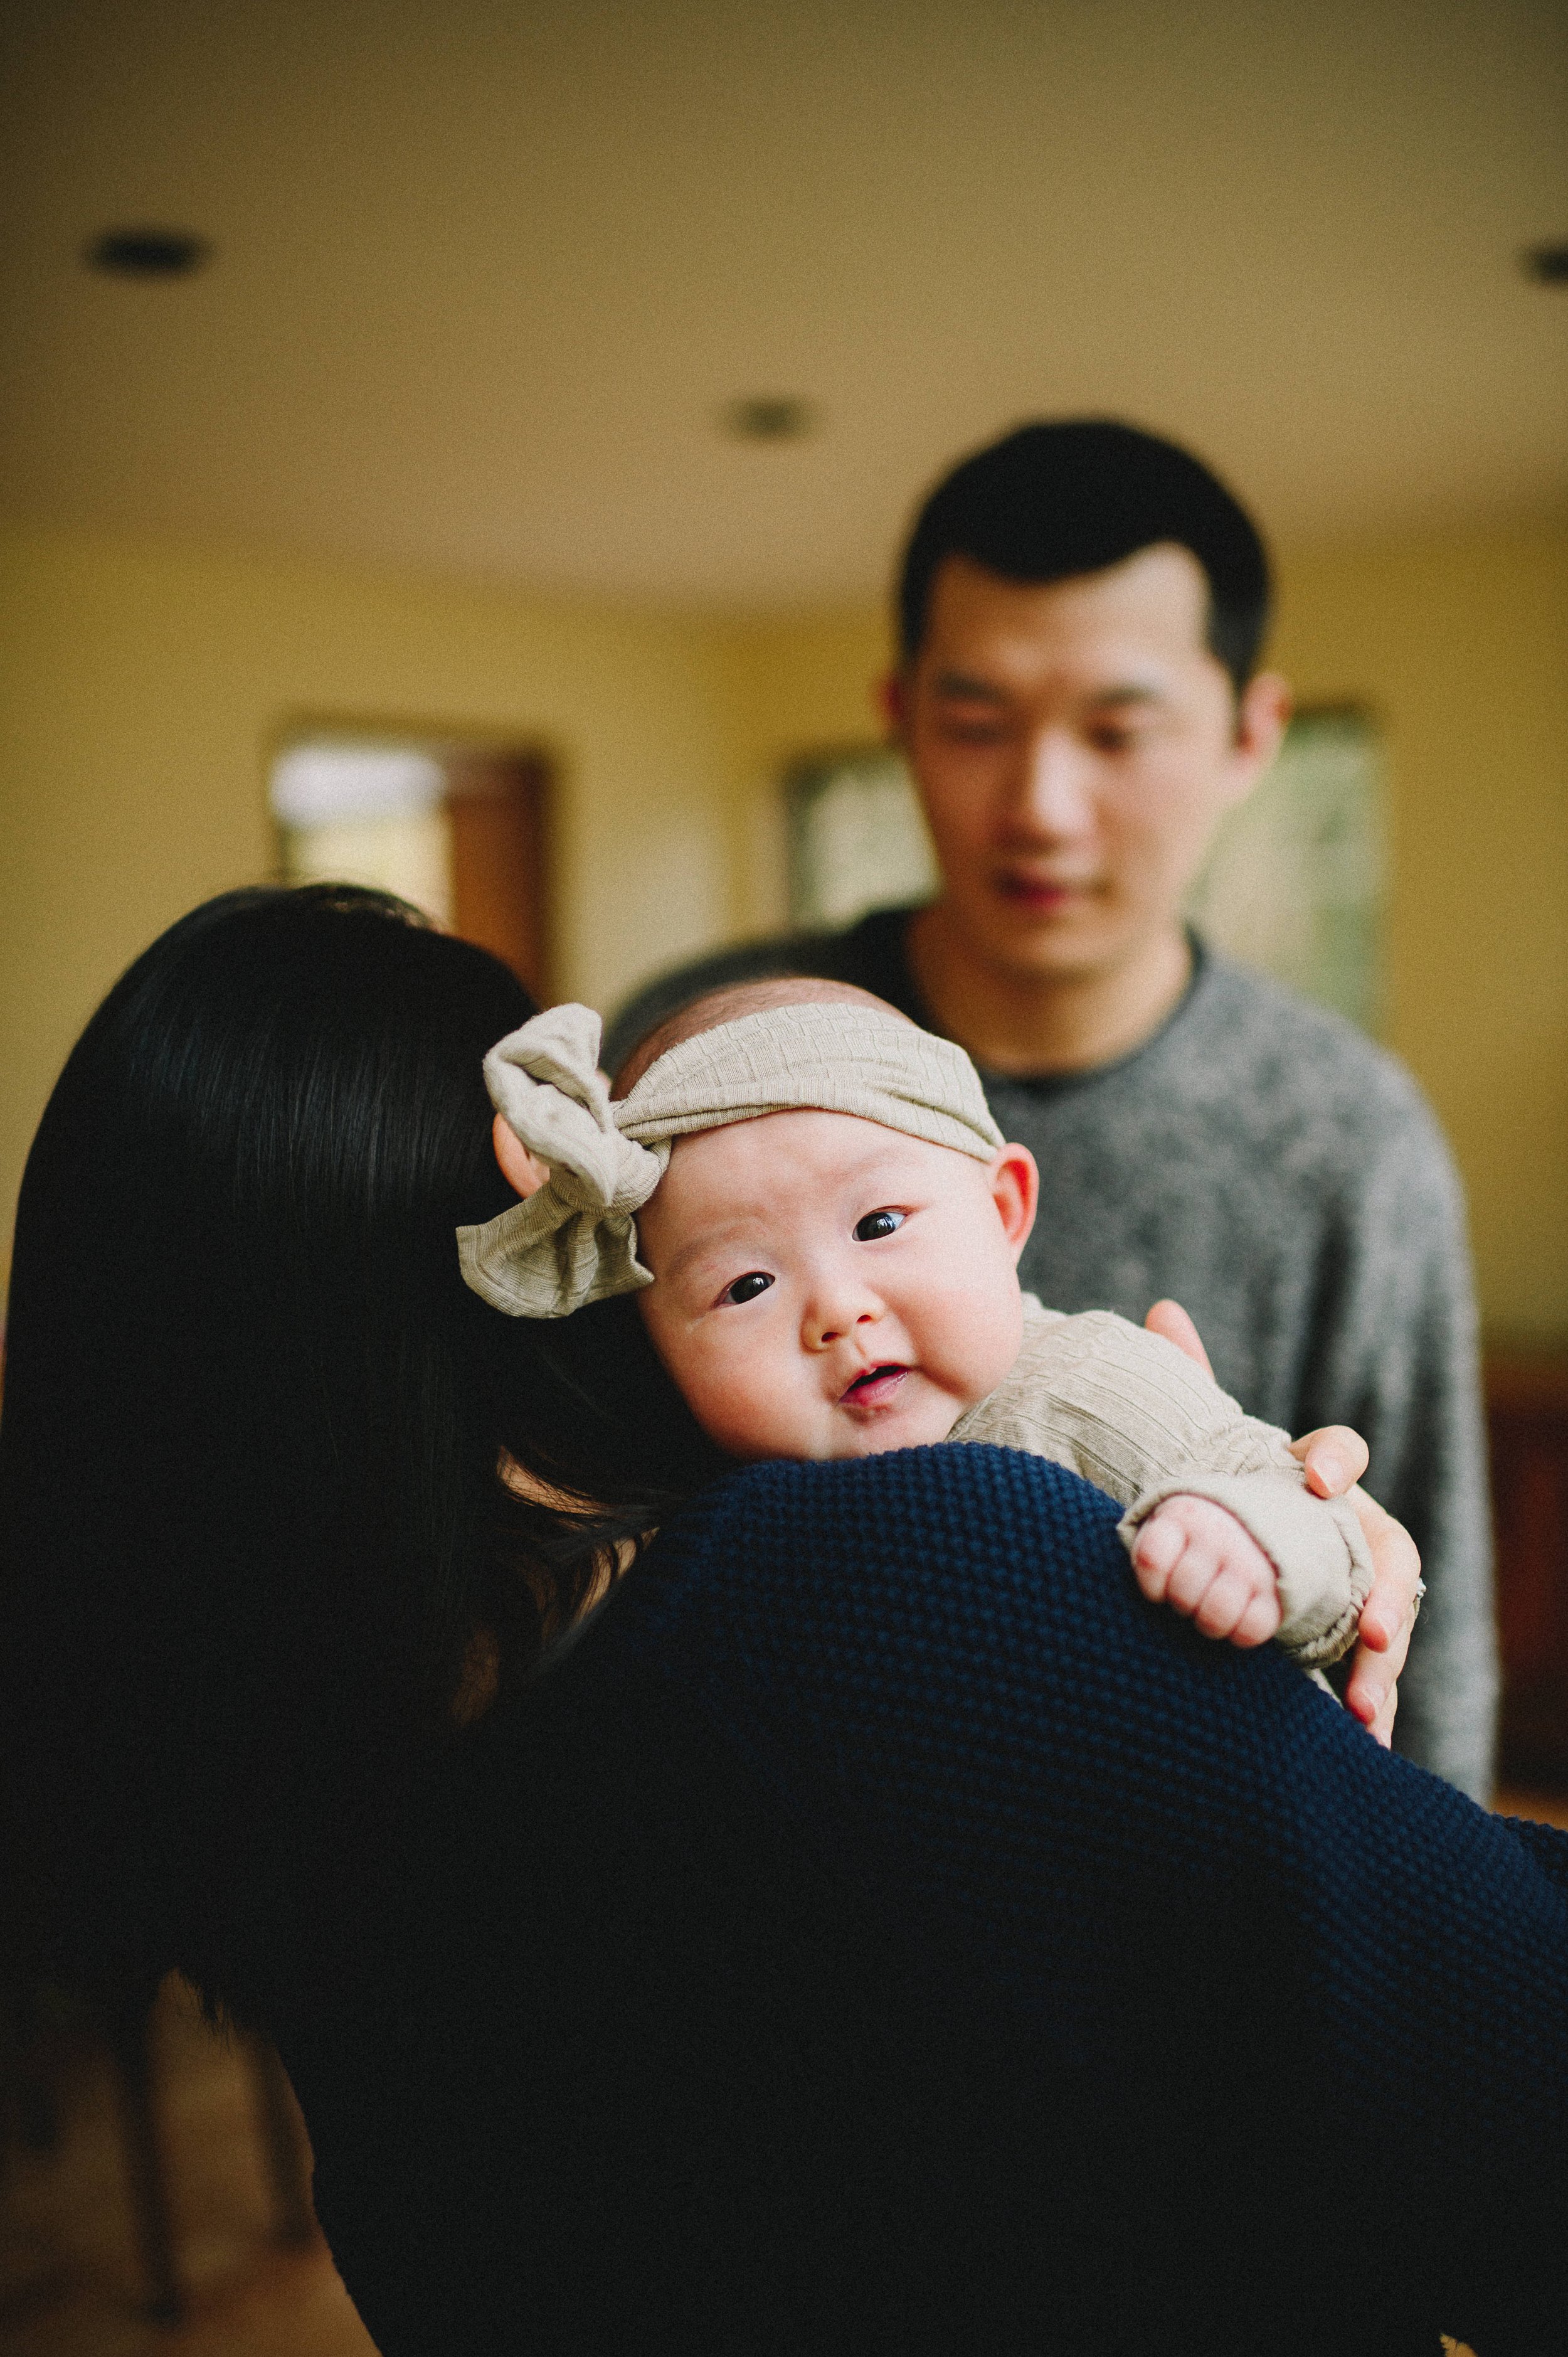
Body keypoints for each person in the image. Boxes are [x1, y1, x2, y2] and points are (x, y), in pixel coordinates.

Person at [7, 887, 1562, 2357]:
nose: (832, 1309)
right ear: (535, 1264)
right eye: (731, 1274)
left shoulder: (322, 1898)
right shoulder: (906, 1590)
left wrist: (1220, 1497)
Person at [605, 417, 1496, 1799]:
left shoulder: (1344, 1132)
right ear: (896, 716)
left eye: (1117, 729)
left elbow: (1420, 1638)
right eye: (974, 723)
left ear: (1249, 734)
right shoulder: (697, 1069)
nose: (1040, 804)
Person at [461, 978, 1380, 1684]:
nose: (836, 1312)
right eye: (746, 1284)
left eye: (878, 1226)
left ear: (1004, 1208)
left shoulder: (1086, 1385)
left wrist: (1247, 1535)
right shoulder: (724, 1509)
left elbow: (1327, 1525)